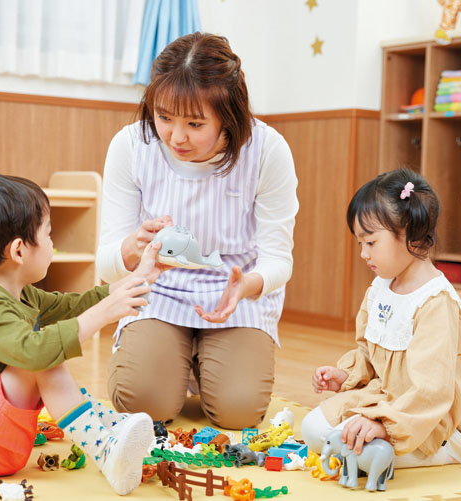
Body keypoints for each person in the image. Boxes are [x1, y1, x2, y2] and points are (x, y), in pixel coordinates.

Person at [97, 32, 299, 429]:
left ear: (229, 116)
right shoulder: (131, 145)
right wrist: (133, 250)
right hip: (159, 294)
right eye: (164, 117)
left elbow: (279, 259)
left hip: (237, 296)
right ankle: (172, 356)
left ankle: (201, 359)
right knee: (142, 403)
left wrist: (249, 285)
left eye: (195, 123)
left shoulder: (268, 150)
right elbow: (107, 266)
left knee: (239, 411)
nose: (176, 136)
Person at [0, 174, 164, 495]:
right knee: (39, 357)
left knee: (41, 351)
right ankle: (104, 447)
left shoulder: (19, 293)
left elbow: (72, 306)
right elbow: (38, 351)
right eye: (49, 235)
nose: (54, 244)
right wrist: (106, 313)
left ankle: (106, 429)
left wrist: (140, 277)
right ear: (20, 251)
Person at [300, 168, 461, 468]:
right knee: (313, 429)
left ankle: (453, 447)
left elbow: (432, 391)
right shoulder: (380, 288)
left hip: (427, 415)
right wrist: (349, 375)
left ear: (410, 234)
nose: (364, 254)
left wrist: (385, 426)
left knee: (355, 451)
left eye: (371, 242)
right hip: (388, 399)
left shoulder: (435, 303)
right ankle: (389, 443)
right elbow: (370, 351)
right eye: (360, 243)